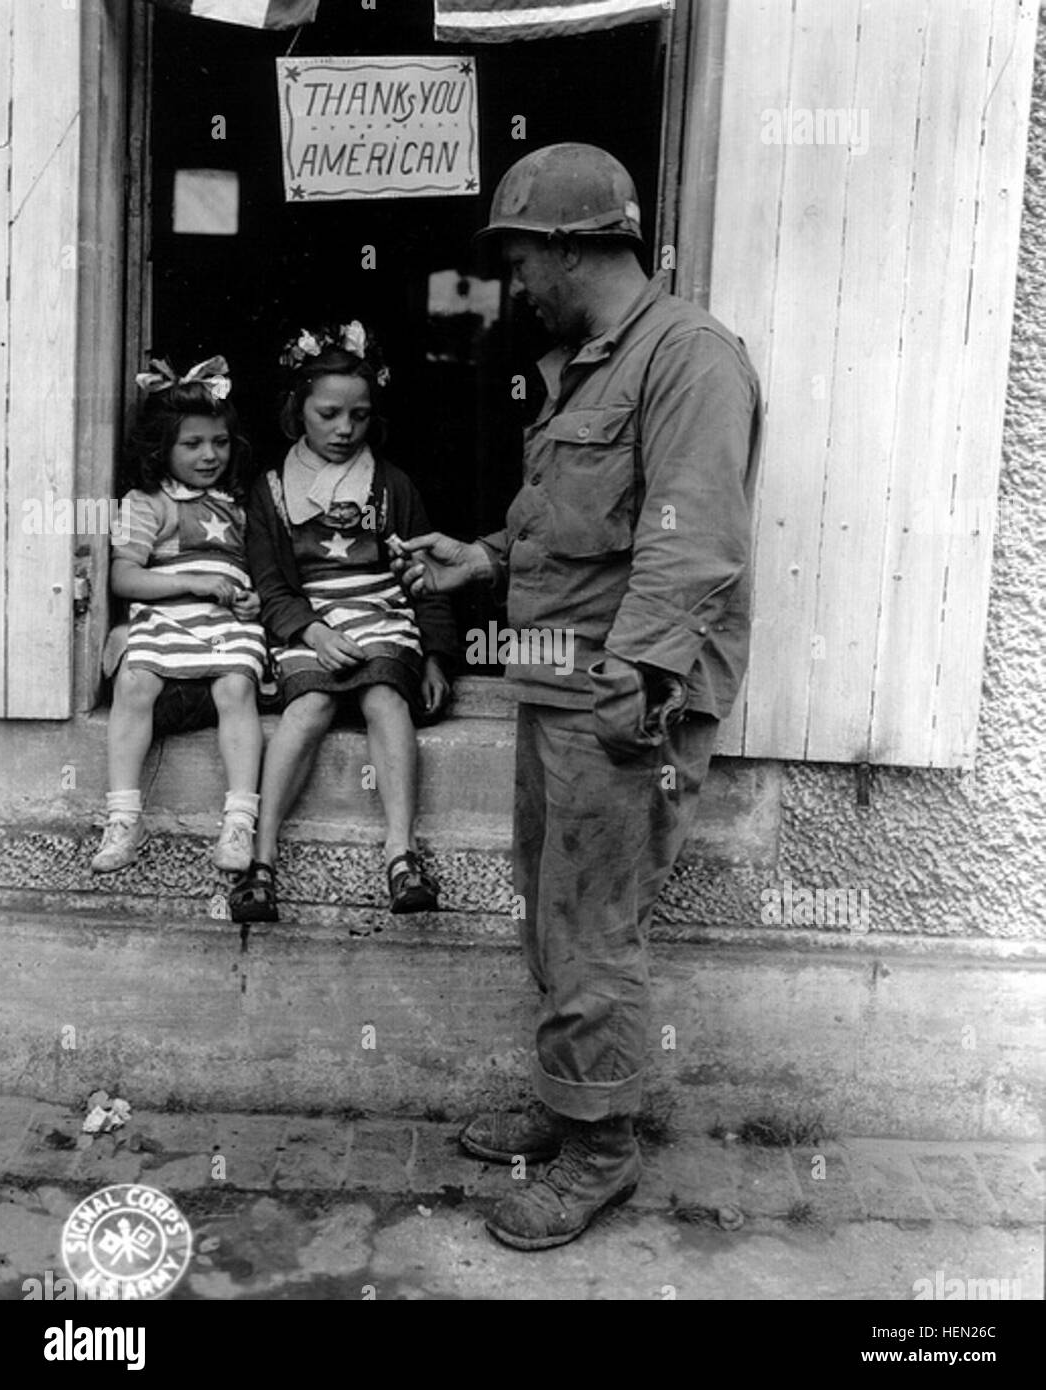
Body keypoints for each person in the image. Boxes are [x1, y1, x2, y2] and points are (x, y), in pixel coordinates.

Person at [395, 144, 763, 1250]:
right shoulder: (589, 365)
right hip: (558, 676)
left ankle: (600, 1151)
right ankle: (567, 1105)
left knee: (596, 925)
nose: (513, 288)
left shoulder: (687, 357)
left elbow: (689, 546)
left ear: (566, 247)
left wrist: (636, 687)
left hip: (618, 696)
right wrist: (482, 558)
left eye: (518, 262)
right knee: (553, 911)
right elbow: (574, 524)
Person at [231, 323, 456, 923]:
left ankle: (402, 853)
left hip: (381, 611)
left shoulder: (390, 484)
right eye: (328, 413)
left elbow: (424, 576)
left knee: (386, 697)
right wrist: (311, 632)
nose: (343, 430)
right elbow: (272, 584)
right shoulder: (274, 491)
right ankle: (262, 860)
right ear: (297, 409)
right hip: (310, 620)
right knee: (308, 708)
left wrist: (433, 655)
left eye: (358, 416)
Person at [92, 357, 265, 875]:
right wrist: (190, 582)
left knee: (236, 687)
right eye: (192, 444)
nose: (210, 455)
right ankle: (124, 816)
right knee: (135, 681)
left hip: (226, 623)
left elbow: (259, 569)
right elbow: (124, 577)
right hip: (166, 615)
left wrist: (252, 598)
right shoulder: (146, 503)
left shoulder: (240, 501)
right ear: (161, 447)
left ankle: (239, 820)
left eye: (220, 442)